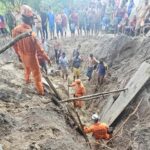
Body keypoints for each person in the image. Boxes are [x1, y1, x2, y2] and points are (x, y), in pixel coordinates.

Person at [12, 5, 51, 95]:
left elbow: (14, 45)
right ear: (29, 20)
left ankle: (26, 80)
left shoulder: (15, 30)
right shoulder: (31, 34)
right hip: (31, 57)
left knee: (26, 68)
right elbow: (40, 50)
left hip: (22, 54)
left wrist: (18, 54)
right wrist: (47, 58)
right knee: (37, 74)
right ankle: (40, 91)